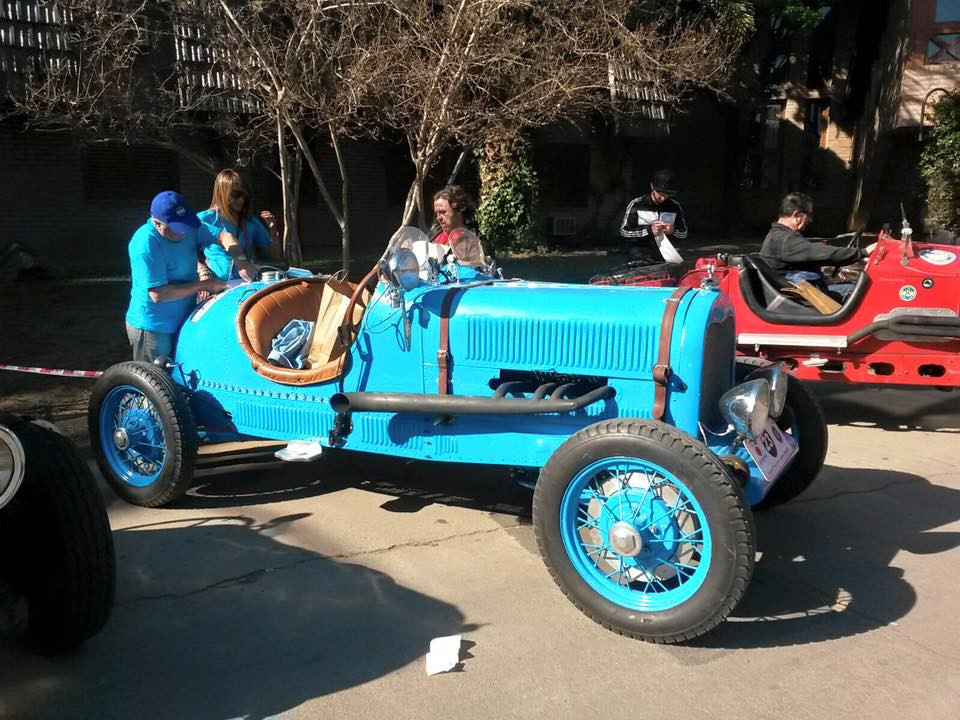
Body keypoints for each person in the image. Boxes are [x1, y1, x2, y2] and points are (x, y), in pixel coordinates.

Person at [125, 191, 235, 363]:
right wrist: (204, 285)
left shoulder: (188, 227)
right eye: (177, 228)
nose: (184, 233)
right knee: (155, 384)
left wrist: (242, 260)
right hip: (153, 327)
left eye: (185, 226)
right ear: (157, 224)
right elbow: (158, 295)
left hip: (183, 318)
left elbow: (224, 236)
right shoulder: (145, 245)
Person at [760, 192, 874, 299]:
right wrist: (864, 252)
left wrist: (826, 278)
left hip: (800, 290)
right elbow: (821, 252)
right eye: (809, 215)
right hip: (799, 298)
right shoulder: (785, 240)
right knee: (864, 292)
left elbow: (803, 260)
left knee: (852, 287)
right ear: (797, 215)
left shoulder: (779, 236)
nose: (810, 219)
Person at [198, 169, 279, 282]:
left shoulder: (250, 222)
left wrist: (273, 230)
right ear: (222, 193)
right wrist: (201, 270)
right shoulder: (205, 219)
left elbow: (274, 256)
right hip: (217, 284)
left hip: (248, 282)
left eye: (244, 195)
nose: (241, 200)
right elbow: (185, 251)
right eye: (236, 194)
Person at [619, 169, 689, 264]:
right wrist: (649, 230)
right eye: (660, 193)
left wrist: (673, 231)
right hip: (639, 258)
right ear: (652, 187)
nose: (663, 198)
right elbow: (624, 233)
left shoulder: (674, 206)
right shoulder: (637, 204)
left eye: (667, 194)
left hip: (667, 258)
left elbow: (684, 233)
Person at [431, 185, 486, 267]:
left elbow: (480, 272)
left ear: (459, 209)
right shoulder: (435, 234)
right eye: (436, 213)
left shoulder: (475, 241)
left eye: (442, 212)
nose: (438, 218)